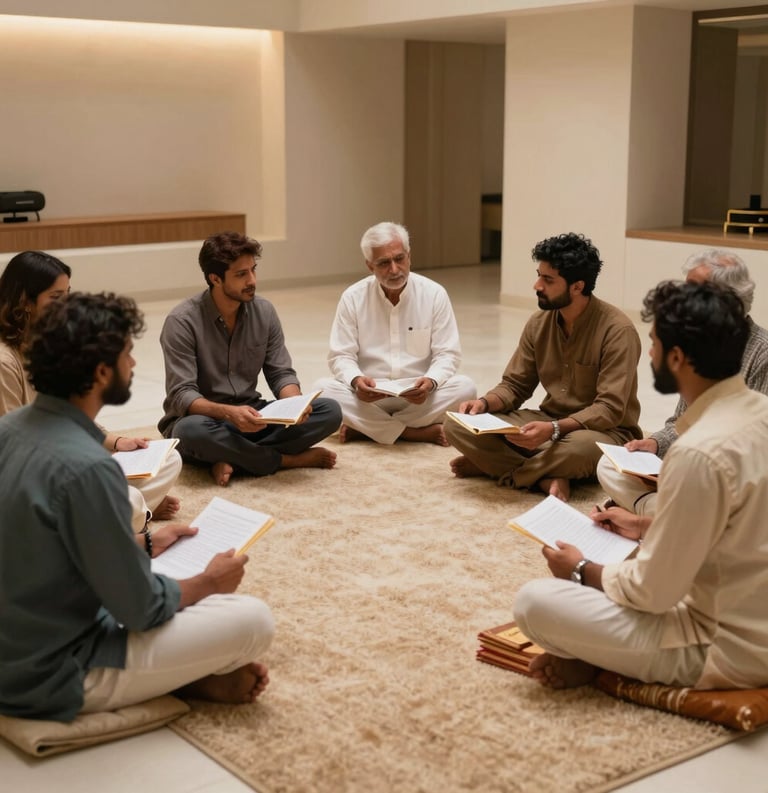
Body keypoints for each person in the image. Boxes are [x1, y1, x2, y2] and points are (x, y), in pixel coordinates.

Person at [0, 292, 274, 721]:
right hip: (46, 673)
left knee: (161, 570)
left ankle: (175, 673)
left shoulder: (8, 429)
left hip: (19, 638)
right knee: (252, 619)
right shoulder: (90, 468)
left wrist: (140, 545)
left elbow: (39, 542)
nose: (134, 363)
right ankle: (178, 678)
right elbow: (139, 608)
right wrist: (208, 582)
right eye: (128, 353)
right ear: (101, 371)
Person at [514, 280, 768, 691]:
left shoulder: (698, 452)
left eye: (653, 344)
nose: (648, 355)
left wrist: (580, 568)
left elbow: (654, 593)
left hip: (726, 648)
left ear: (677, 357)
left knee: (535, 603)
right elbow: (737, 533)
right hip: (750, 614)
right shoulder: (760, 413)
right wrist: (645, 528)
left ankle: (599, 660)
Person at [445, 232, 642, 501]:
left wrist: (555, 430)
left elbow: (609, 409)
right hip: (547, 422)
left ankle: (503, 469)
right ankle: (547, 475)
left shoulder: (618, 331)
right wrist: (485, 404)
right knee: (456, 424)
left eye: (548, 280)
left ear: (577, 286)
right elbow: (515, 384)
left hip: (603, 432)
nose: (537, 285)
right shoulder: (539, 323)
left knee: (576, 451)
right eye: (539, 275)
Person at [0, 250, 182, 531]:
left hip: (59, 460)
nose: (66, 306)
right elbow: (15, 451)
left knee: (168, 458)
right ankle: (134, 514)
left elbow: (68, 412)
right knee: (127, 499)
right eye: (56, 298)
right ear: (25, 301)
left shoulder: (49, 342)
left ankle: (127, 512)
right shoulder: (4, 360)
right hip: (28, 479)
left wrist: (115, 442)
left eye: (68, 295)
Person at [158, 231, 341, 486]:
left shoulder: (264, 312)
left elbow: (281, 373)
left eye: (253, 270)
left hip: (253, 415)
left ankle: (229, 457)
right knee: (189, 434)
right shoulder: (182, 322)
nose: (252, 280)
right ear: (215, 279)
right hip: (206, 420)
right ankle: (284, 460)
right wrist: (229, 413)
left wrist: (294, 403)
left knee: (330, 411)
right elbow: (182, 394)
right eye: (241, 274)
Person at [596, 249, 768, 517]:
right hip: (696, 468)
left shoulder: (761, 354)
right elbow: (680, 421)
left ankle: (651, 510)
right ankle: (654, 509)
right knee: (608, 465)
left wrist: (581, 562)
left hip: (728, 485)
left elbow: (749, 455)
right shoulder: (699, 347)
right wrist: (655, 444)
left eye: (693, 292)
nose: (651, 353)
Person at [314, 221, 476, 446]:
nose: (394, 269)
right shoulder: (353, 297)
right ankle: (411, 432)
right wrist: (356, 380)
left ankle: (368, 429)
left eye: (399, 259)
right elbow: (340, 356)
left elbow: (448, 354)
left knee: (466, 388)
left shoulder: (434, 294)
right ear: (370, 266)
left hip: (419, 397)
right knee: (321, 390)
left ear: (409, 256)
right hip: (370, 397)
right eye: (383, 263)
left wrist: (431, 381)